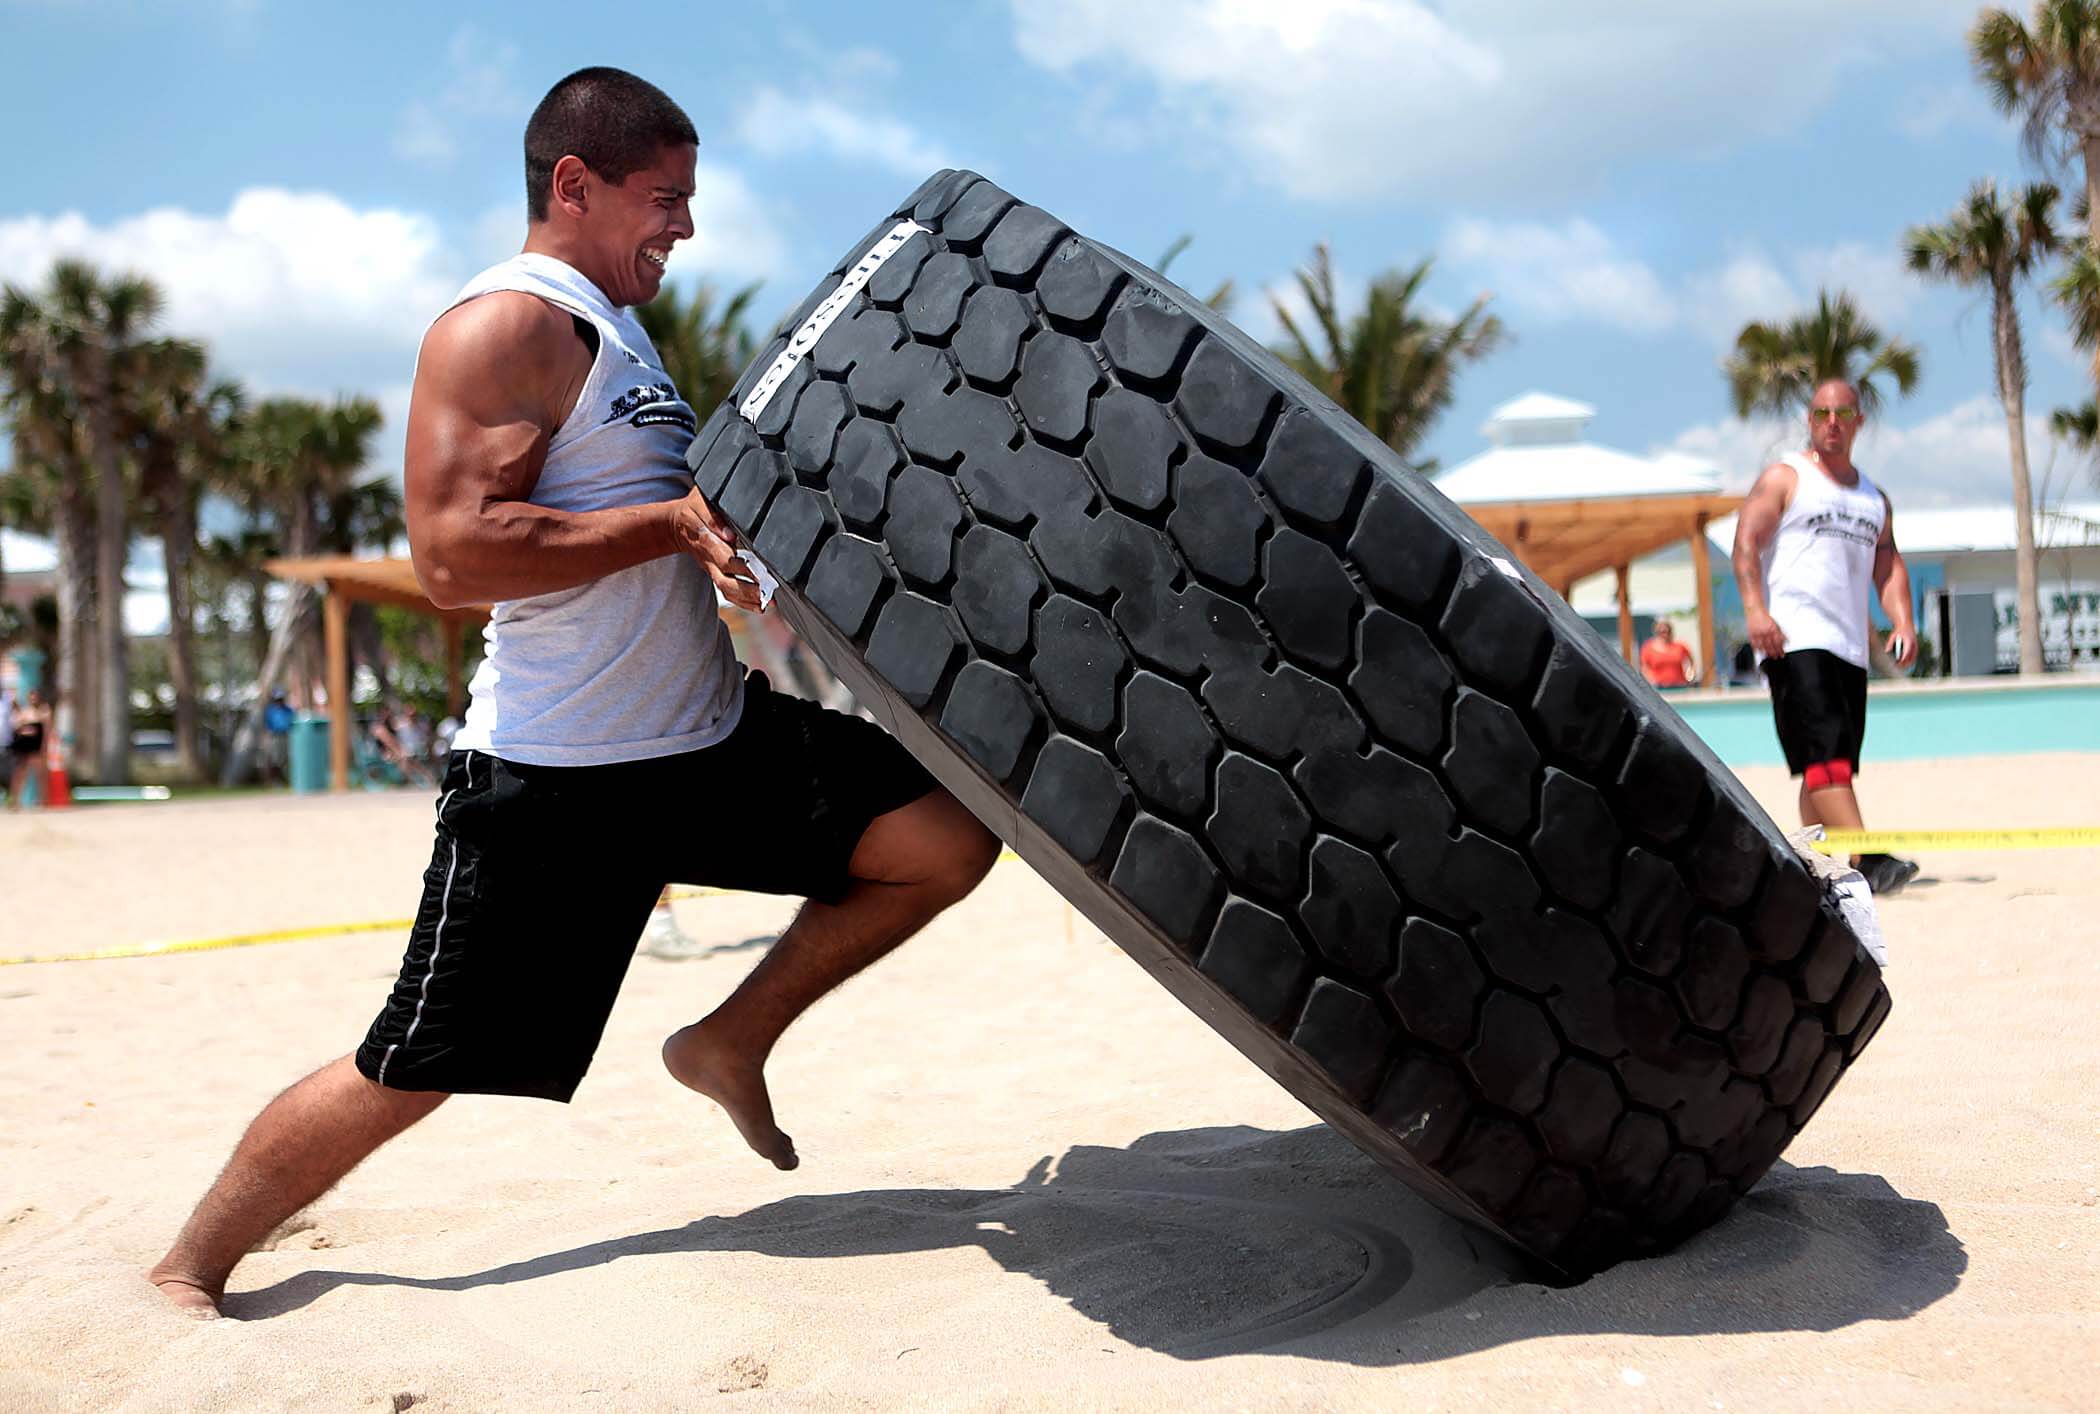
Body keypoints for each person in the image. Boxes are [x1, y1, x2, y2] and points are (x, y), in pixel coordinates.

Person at [147, 67, 999, 1319]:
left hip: (711, 738)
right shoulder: (503, 325)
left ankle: (730, 1038)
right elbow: (452, 557)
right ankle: (190, 1263)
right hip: (559, 779)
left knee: (943, 838)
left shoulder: (621, 330)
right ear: (573, 184)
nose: (686, 226)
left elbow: (655, 523)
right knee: (414, 1068)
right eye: (666, 197)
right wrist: (665, 525)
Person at [1732, 377, 1918, 896]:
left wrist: (1902, 620)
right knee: (1825, 757)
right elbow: (1746, 541)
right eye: (1820, 413)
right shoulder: (1787, 477)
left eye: (1841, 413)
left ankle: (1808, 862)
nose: (1831, 422)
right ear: (1810, 421)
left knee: (1830, 764)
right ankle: (1866, 856)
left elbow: (1889, 562)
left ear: (1859, 421)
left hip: (1848, 647)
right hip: (1793, 638)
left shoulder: (1873, 498)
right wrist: (1754, 610)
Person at [6, 689, 51, 810]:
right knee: (20, 774)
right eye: (31, 697)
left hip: (37, 746)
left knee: (40, 774)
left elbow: (46, 731)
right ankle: (15, 801)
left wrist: (44, 747)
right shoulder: (24, 711)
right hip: (25, 746)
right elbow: (16, 725)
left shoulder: (44, 711)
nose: (33, 699)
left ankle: (43, 801)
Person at [1639, 618, 1697, 689]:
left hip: (1680, 685)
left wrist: (1690, 676)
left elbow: (1691, 663)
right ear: (1656, 631)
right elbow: (1644, 668)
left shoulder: (1680, 646)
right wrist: (1650, 681)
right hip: (1658, 687)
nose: (1664, 633)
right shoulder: (1648, 647)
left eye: (1666, 630)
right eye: (1661, 631)